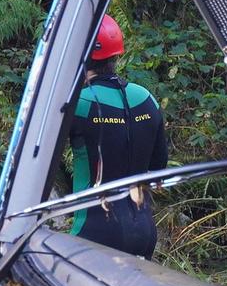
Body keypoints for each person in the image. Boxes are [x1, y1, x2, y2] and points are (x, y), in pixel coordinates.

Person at [68, 14, 169, 259]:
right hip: (143, 230)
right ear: (116, 54)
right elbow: (159, 165)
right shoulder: (146, 98)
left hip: (94, 229)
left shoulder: (79, 104)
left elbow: (41, 169)